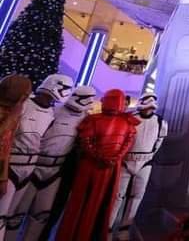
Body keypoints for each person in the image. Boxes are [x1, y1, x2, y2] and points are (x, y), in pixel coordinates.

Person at [9, 86, 96, 241]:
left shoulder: (86, 119)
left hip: (55, 171)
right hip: (34, 166)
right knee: (17, 213)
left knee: (41, 215)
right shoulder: (53, 111)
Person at [55, 89, 139, 241]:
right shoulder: (124, 121)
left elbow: (86, 141)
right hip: (103, 166)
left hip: (95, 165)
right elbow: (127, 142)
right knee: (91, 201)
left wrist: (106, 157)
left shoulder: (97, 120)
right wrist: (113, 158)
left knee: (85, 202)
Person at [0, 74, 73, 238]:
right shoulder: (23, 106)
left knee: (15, 216)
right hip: (11, 164)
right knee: (2, 215)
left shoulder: (51, 112)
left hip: (30, 167)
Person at [110, 93, 168, 240]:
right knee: (117, 195)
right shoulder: (129, 118)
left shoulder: (160, 122)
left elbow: (159, 141)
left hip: (145, 162)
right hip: (126, 160)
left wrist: (150, 155)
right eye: (147, 100)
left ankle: (124, 228)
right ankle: (108, 226)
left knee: (137, 196)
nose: (150, 103)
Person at [0, 75, 32, 199]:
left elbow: (6, 149)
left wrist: (3, 178)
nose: (27, 97)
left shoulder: (14, 113)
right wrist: (11, 118)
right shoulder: (12, 114)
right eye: (26, 94)